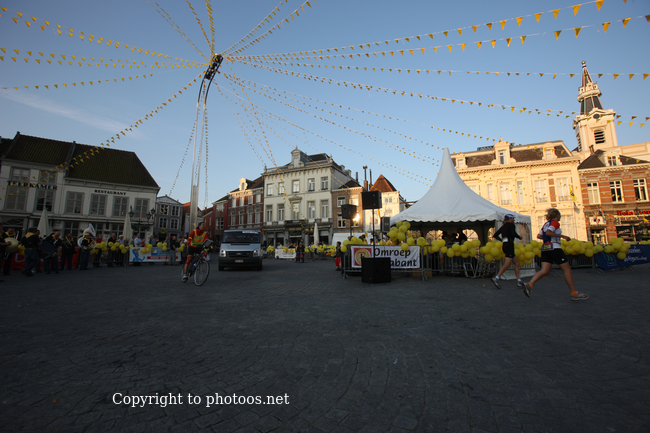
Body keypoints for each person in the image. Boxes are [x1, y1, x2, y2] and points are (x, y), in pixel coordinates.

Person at [523, 208, 589, 301]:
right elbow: (549, 232)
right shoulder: (555, 223)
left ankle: (529, 284)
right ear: (557, 216)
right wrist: (562, 236)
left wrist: (548, 237)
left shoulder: (546, 224)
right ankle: (574, 293)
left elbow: (539, 236)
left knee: (544, 271)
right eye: (560, 216)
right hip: (555, 248)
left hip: (545, 249)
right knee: (567, 270)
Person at [491, 215, 523, 289]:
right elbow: (513, 233)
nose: (514, 220)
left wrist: (502, 240)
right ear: (509, 219)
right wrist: (519, 237)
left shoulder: (503, 227)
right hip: (509, 245)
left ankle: (519, 280)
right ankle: (496, 278)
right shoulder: (511, 225)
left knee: (517, 263)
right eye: (513, 218)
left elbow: (495, 235)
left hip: (505, 245)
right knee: (507, 264)